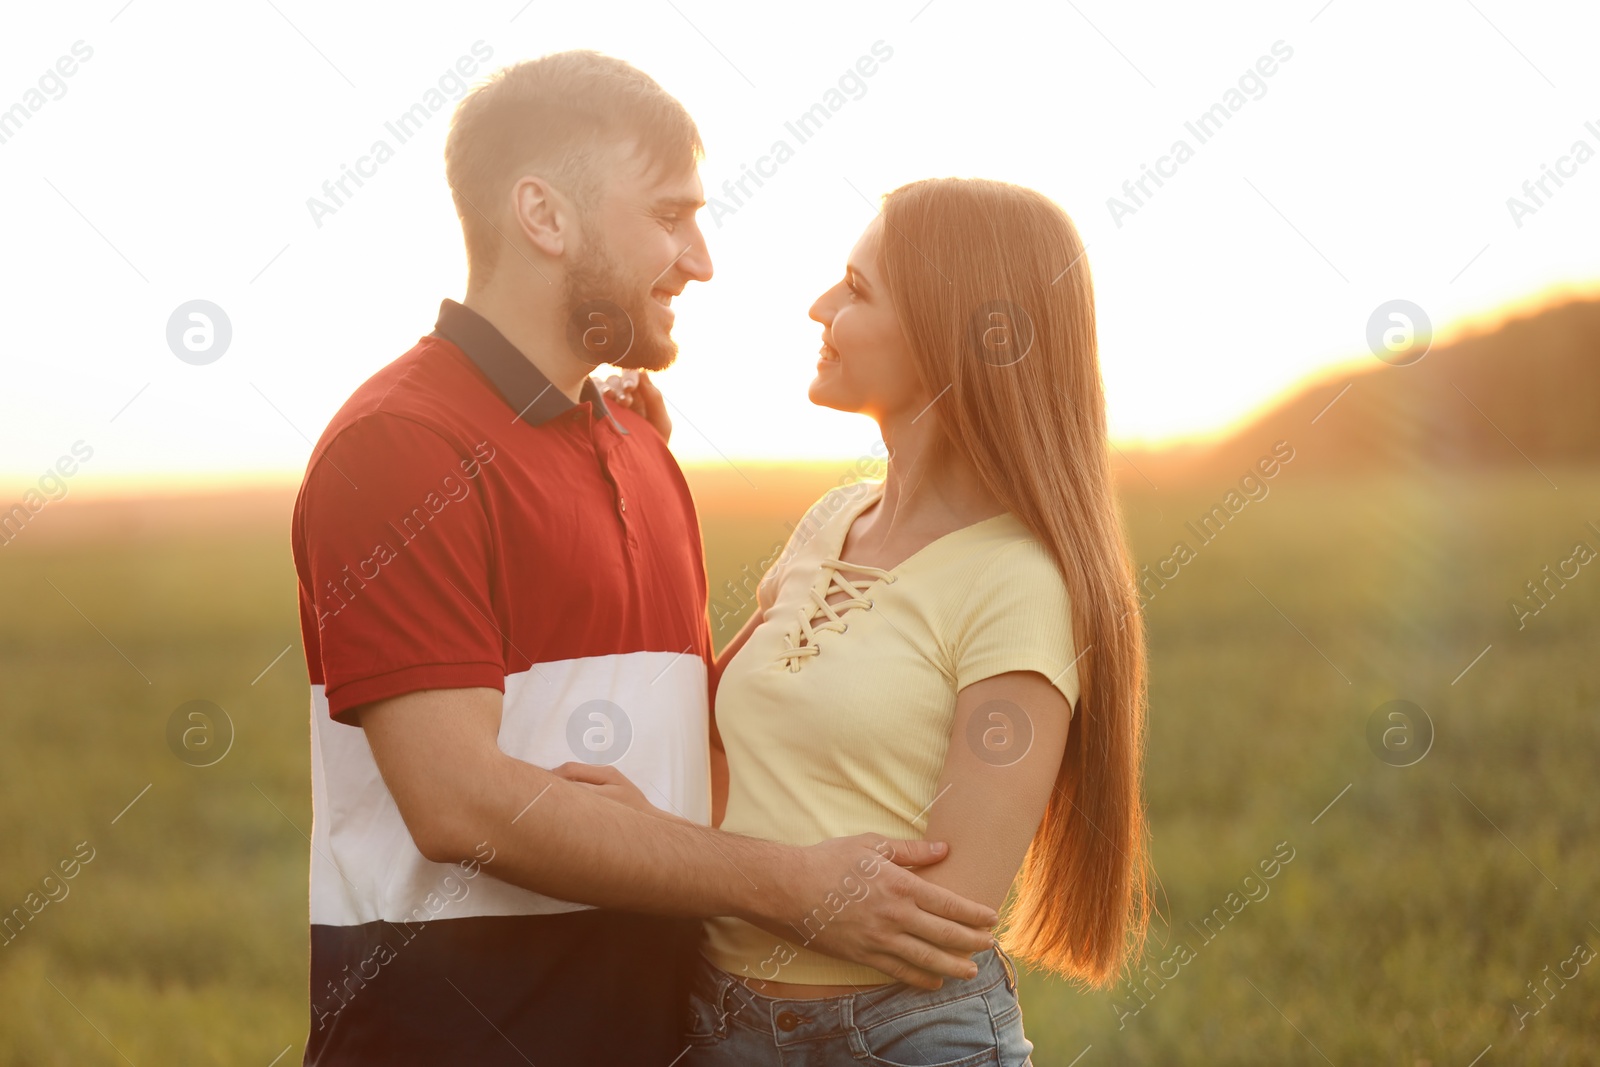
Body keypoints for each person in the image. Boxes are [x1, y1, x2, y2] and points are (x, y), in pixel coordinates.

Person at [289, 53, 997, 1066]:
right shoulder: (403, 447)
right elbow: (457, 801)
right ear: (545, 216)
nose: (698, 258)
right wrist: (797, 885)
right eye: (669, 215)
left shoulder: (638, 445)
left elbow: (690, 751)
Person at [605, 178, 1153, 1065]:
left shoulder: (1020, 583)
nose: (821, 306)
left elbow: (940, 915)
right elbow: (715, 745)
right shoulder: (832, 520)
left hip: (901, 1039)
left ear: (953, 333)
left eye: (857, 290)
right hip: (717, 1022)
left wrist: (671, 859)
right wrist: (629, 465)